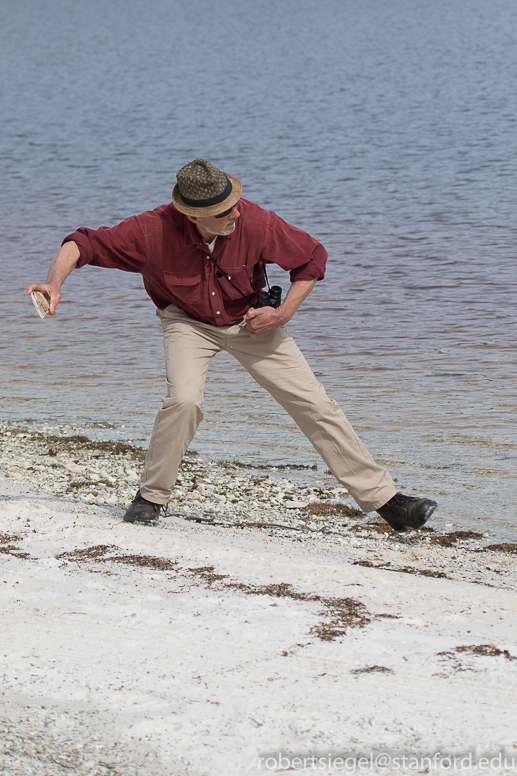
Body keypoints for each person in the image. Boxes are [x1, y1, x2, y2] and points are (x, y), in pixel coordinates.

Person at [27, 158, 437, 532]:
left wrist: (283, 314)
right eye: (225, 212)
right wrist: (54, 283)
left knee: (313, 402)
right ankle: (151, 498)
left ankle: (389, 504)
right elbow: (82, 243)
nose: (236, 212)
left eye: (235, 202)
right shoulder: (150, 231)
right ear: (194, 216)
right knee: (184, 401)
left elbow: (311, 259)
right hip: (186, 322)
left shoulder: (255, 221)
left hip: (251, 323)